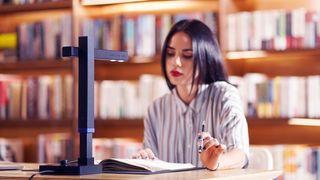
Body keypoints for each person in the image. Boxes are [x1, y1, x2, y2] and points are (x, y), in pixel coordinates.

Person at [132, 19, 249, 170]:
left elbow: (241, 154)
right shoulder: (156, 109)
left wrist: (216, 162)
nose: (176, 62)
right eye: (170, 53)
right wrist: (144, 160)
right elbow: (153, 165)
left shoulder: (224, 96)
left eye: (187, 55)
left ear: (205, 58)